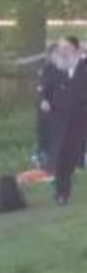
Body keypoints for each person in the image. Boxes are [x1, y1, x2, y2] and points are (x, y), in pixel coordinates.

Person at [49, 36, 87, 205]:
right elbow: (46, 91)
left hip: (83, 119)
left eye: (67, 48)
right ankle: (62, 193)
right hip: (63, 122)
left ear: (76, 50)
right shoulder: (55, 70)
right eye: (60, 48)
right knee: (63, 156)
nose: (63, 52)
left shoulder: (84, 68)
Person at [36, 43, 62, 170]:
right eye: (56, 53)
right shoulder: (46, 70)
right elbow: (41, 89)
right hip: (49, 109)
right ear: (50, 56)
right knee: (46, 134)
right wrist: (43, 100)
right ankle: (44, 157)